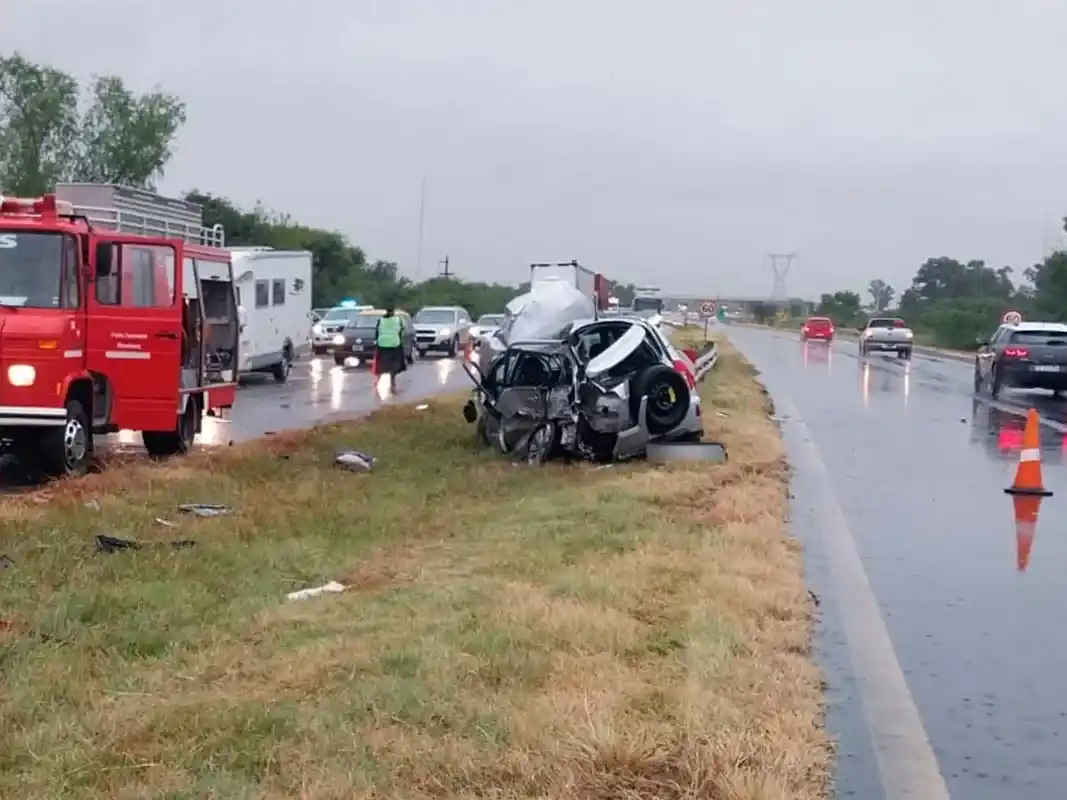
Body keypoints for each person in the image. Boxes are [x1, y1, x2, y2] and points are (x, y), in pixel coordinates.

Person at [374, 302, 407, 393]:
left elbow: (377, 332)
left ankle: (378, 382)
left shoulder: (380, 320)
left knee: (381, 364)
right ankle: (392, 384)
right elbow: (401, 330)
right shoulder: (397, 320)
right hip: (394, 344)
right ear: (393, 311)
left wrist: (377, 342)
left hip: (382, 344)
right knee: (394, 366)